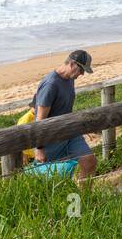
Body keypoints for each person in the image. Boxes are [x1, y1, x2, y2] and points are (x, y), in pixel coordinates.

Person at [27, 49, 97, 180]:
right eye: (81, 70)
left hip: (70, 133)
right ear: (71, 64)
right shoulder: (50, 84)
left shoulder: (69, 78)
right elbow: (40, 119)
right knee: (52, 179)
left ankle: (84, 198)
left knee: (89, 162)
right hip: (51, 139)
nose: (82, 74)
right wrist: (39, 148)